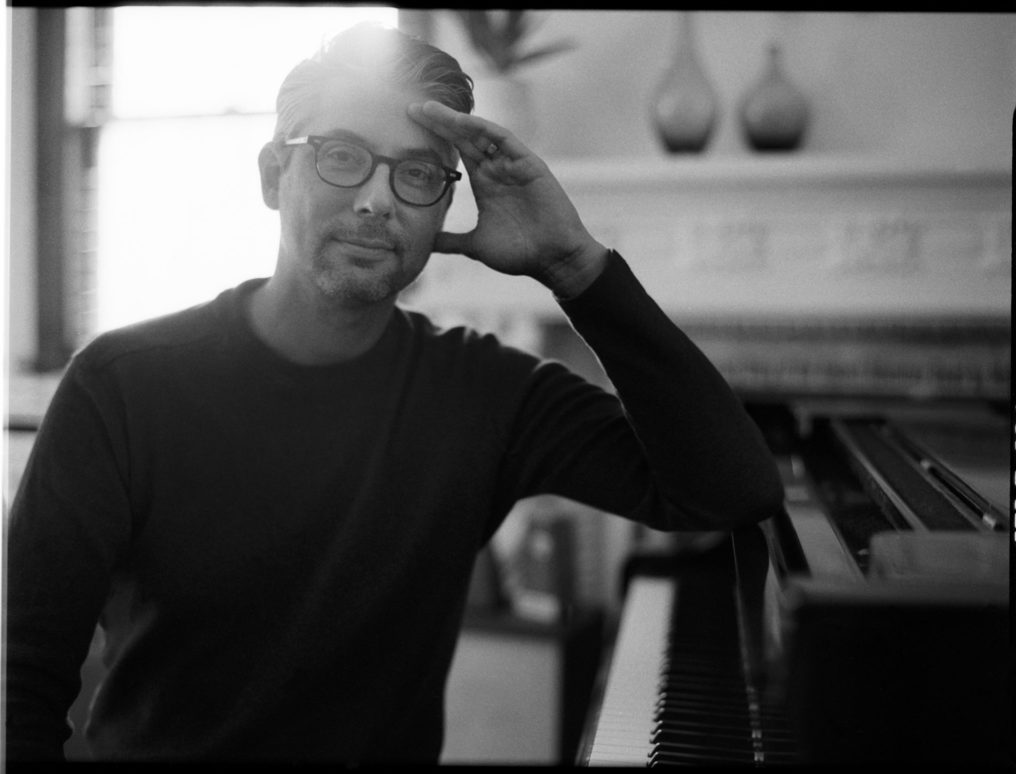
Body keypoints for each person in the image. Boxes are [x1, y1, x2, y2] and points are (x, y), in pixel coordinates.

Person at [5, 23, 784, 764]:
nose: (378, 200)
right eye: (342, 156)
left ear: (446, 205)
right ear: (275, 175)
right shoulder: (121, 387)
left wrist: (575, 265)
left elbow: (731, 491)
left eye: (415, 173)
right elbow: (19, 688)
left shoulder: (487, 394)